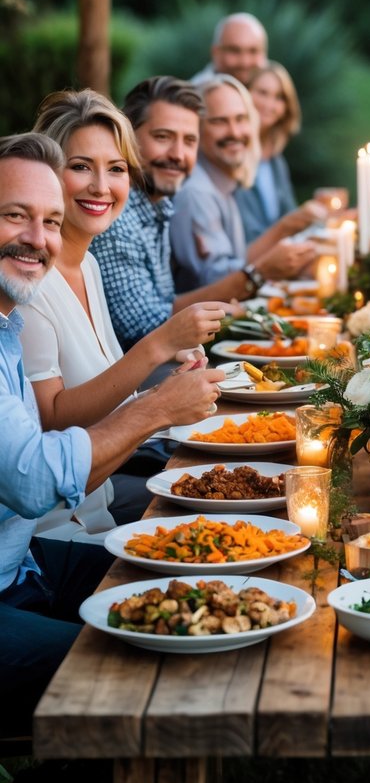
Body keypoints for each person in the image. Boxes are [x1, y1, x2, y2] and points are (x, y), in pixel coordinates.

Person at [0, 132, 222, 729]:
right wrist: (154, 411)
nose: (38, 238)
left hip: (22, 561)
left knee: (193, 582)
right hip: (17, 569)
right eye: (14, 216)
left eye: (49, 221)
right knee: (136, 664)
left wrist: (156, 403)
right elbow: (33, 481)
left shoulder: (7, 324)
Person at [18, 89, 227, 530]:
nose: (101, 186)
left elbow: (106, 394)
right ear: (47, 177)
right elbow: (51, 419)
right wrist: (157, 347)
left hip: (101, 501)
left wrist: (165, 392)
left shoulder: (88, 264)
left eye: (116, 169)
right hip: (56, 531)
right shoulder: (29, 284)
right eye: (80, 167)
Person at [92, 76, 304, 350]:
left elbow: (166, 309)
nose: (178, 154)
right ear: (128, 136)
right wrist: (255, 276)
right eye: (163, 137)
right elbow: (146, 329)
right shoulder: (117, 219)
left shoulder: (160, 206)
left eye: (189, 140)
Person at [169, 74, 317, 291]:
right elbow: (214, 281)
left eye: (241, 119)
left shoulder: (225, 183)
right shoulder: (196, 192)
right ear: (196, 129)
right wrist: (269, 266)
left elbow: (236, 261)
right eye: (219, 121)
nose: (235, 132)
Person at [236, 61, 302, 241]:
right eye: (262, 93)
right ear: (246, 93)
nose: (269, 104)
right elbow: (246, 232)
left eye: (279, 97)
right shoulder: (234, 156)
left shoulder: (276, 161)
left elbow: (290, 214)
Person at [191, 12, 268, 87]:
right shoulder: (196, 95)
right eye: (235, 51)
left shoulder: (276, 87)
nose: (245, 62)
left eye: (253, 51)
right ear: (215, 53)